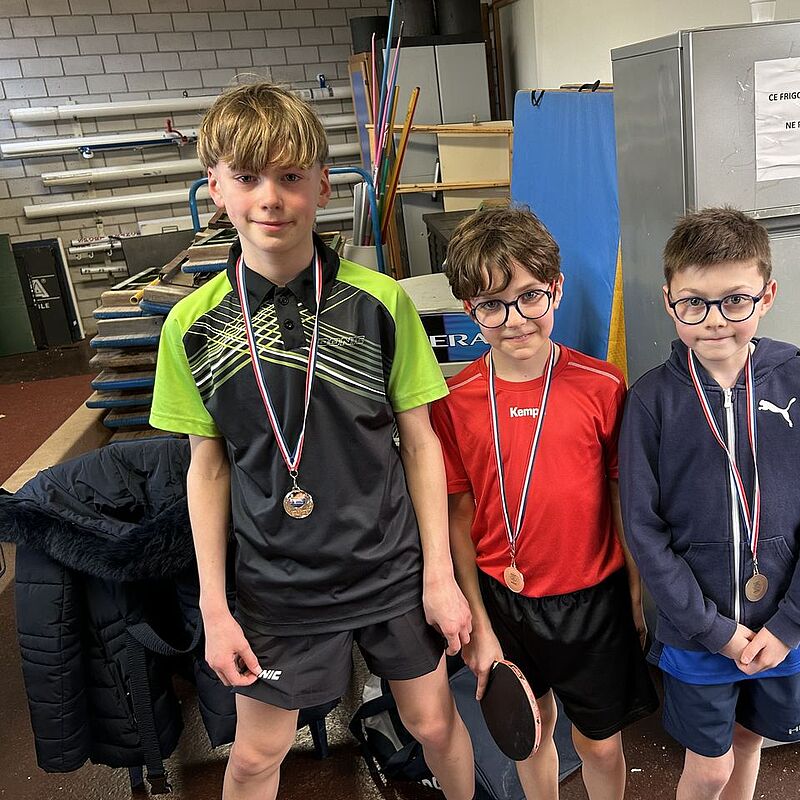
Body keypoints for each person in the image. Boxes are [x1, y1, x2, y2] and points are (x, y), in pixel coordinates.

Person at [149, 83, 475, 800]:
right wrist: (214, 608)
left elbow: (421, 446)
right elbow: (207, 470)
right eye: (247, 177)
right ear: (215, 189)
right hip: (277, 583)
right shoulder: (192, 327)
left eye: (291, 176)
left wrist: (439, 575)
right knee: (258, 754)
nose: (270, 198)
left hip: (390, 566)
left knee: (434, 722)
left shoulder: (380, 302)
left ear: (324, 186)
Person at [619, 207, 800, 800]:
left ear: (766, 296)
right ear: (669, 301)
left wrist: (793, 622)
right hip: (698, 632)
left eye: (735, 300)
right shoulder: (650, 401)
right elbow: (643, 530)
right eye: (694, 303)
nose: (715, 320)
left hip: (780, 625)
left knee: (750, 741)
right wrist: (713, 630)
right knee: (709, 767)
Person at [430, 206, 658, 800]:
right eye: (492, 305)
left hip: (594, 598)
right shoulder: (454, 400)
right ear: (469, 309)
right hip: (503, 599)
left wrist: (635, 594)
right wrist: (478, 624)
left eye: (530, 297)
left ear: (556, 289)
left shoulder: (603, 386)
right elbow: (459, 515)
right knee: (529, 735)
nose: (515, 320)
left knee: (600, 744)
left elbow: (622, 499)